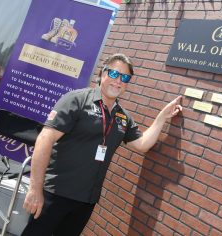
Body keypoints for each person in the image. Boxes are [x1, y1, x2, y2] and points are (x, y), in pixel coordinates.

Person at [21, 53, 182, 236]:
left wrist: (162, 117)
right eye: (114, 74)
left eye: (125, 77)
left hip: (86, 201)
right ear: (102, 74)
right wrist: (35, 189)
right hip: (55, 194)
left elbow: (143, 144)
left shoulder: (123, 118)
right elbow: (44, 140)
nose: (118, 81)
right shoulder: (77, 100)